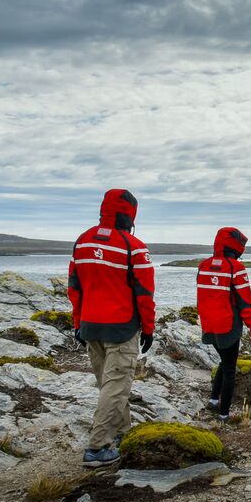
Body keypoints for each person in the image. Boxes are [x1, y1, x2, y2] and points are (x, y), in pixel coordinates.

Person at [68, 189, 156, 467]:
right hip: (121, 327)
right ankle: (97, 447)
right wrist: (149, 328)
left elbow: (75, 288)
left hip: (90, 325)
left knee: (108, 384)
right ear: (130, 215)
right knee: (116, 385)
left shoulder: (82, 242)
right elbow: (145, 294)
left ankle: (121, 433)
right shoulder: (133, 246)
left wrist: (78, 323)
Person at [197, 227, 251, 423]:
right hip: (228, 325)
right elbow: (245, 301)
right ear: (236, 247)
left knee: (224, 362)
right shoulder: (236, 268)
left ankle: (214, 400)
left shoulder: (203, 265)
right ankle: (224, 414)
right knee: (230, 367)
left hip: (209, 325)